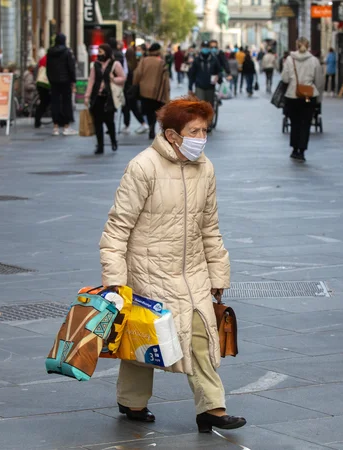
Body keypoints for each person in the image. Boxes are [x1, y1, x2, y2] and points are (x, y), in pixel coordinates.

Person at [100, 95, 246, 434]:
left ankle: (212, 407)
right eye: (193, 131)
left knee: (200, 337)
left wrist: (217, 273)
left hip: (192, 270)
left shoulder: (205, 168)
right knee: (143, 338)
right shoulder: (143, 167)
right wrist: (115, 281)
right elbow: (117, 228)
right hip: (149, 270)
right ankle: (132, 401)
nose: (201, 138)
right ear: (171, 135)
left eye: (204, 130)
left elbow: (210, 226)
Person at [280, 38, 323, 161]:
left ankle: (294, 149)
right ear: (308, 46)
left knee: (295, 123)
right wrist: (318, 97)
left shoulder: (289, 59)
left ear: (296, 46)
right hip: (309, 96)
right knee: (306, 123)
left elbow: (285, 79)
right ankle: (302, 150)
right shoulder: (314, 61)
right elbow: (319, 81)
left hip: (293, 95)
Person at [84, 44, 126, 154]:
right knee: (97, 122)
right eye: (98, 51)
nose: (99, 54)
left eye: (101, 51)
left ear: (106, 52)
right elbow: (91, 81)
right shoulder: (95, 65)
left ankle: (113, 141)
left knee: (109, 121)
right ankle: (100, 146)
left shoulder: (115, 64)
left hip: (109, 98)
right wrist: (87, 96)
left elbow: (123, 78)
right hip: (97, 97)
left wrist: (114, 79)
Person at [133, 43, 169, 139]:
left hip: (145, 91)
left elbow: (137, 74)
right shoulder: (161, 62)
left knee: (149, 111)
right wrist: (167, 94)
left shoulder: (144, 61)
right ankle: (153, 126)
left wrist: (135, 83)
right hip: (158, 91)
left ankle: (151, 128)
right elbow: (165, 79)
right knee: (156, 110)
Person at [46, 33, 77, 136]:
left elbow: (48, 67)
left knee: (55, 103)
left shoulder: (50, 52)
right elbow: (71, 67)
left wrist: (50, 79)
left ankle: (55, 127)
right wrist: (73, 81)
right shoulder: (67, 52)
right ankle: (66, 127)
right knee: (66, 103)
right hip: (65, 81)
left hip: (54, 81)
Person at [123, 46, 148, 134]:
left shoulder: (127, 65)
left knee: (127, 108)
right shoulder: (136, 64)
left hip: (127, 89)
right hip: (134, 89)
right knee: (132, 108)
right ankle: (142, 124)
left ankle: (129, 125)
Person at [189, 43, 222, 108]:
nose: (205, 49)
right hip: (199, 86)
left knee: (209, 107)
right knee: (200, 106)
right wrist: (190, 87)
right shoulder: (197, 60)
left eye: (207, 47)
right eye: (204, 47)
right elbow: (192, 74)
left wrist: (218, 77)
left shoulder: (214, 59)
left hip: (210, 86)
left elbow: (219, 71)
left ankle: (209, 117)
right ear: (201, 48)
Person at [34, 54, 52, 128]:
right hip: (46, 84)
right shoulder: (51, 59)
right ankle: (37, 121)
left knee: (43, 102)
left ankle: (37, 120)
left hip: (40, 83)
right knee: (45, 103)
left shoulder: (42, 59)